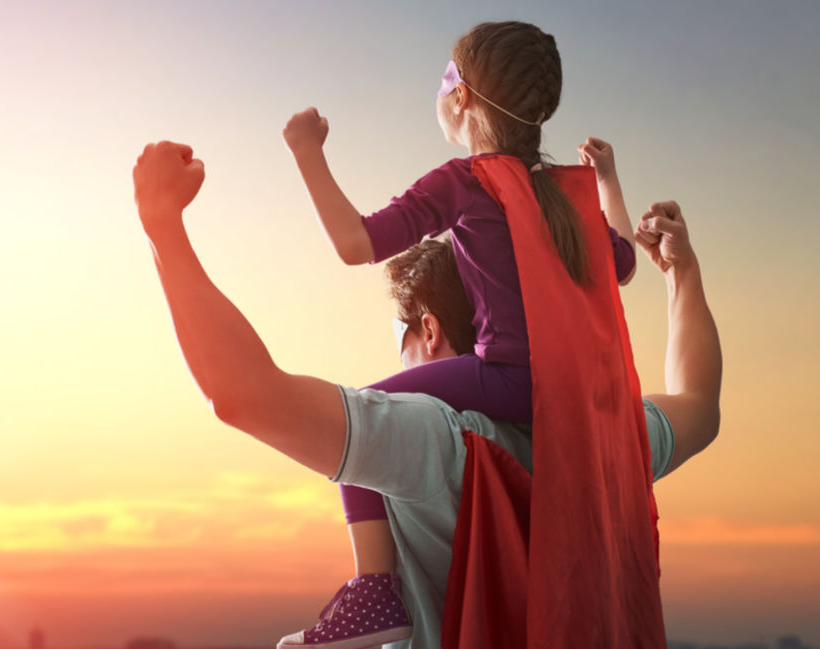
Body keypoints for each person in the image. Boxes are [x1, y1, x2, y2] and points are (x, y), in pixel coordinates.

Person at [132, 141, 721, 649]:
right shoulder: (609, 435)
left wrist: (162, 224)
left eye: (401, 333)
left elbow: (243, 394)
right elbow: (698, 404)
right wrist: (681, 274)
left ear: (431, 329)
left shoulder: (431, 440)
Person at [282, 21, 637, 645]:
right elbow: (625, 264)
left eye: (447, 76)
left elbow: (354, 243)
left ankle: (374, 588)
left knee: (359, 417)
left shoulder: (467, 181)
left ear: (463, 95)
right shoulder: (562, 193)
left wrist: (306, 151)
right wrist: (606, 180)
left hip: (507, 379)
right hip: (578, 393)